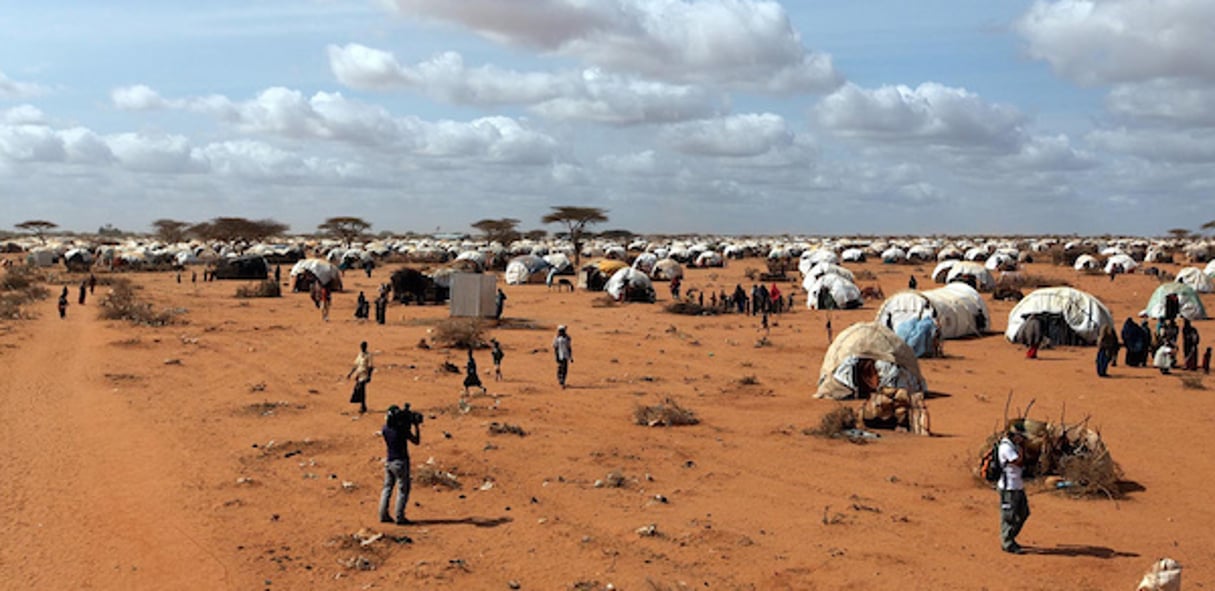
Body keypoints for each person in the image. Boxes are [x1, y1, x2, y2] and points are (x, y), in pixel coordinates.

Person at [379, 404, 420, 525]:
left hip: (389, 461)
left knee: (387, 488)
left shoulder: (385, 429)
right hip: (401, 462)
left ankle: (383, 515)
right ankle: (399, 517)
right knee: (403, 490)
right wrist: (416, 426)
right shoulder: (402, 431)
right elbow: (416, 441)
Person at [997, 424, 1031, 554]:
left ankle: (1010, 537)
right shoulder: (1006, 447)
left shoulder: (1014, 446)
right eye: (1020, 436)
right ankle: (1007, 542)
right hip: (1008, 488)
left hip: (1018, 486)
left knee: (1024, 513)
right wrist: (1022, 448)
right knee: (1009, 516)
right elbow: (1019, 461)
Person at [346, 341, 373, 413]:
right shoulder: (360, 355)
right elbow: (355, 365)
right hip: (359, 375)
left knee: (362, 390)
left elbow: (370, 367)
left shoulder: (369, 355)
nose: (363, 348)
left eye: (364, 346)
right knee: (358, 390)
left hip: (364, 375)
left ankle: (363, 406)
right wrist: (350, 373)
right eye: (362, 346)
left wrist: (369, 376)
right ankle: (362, 405)